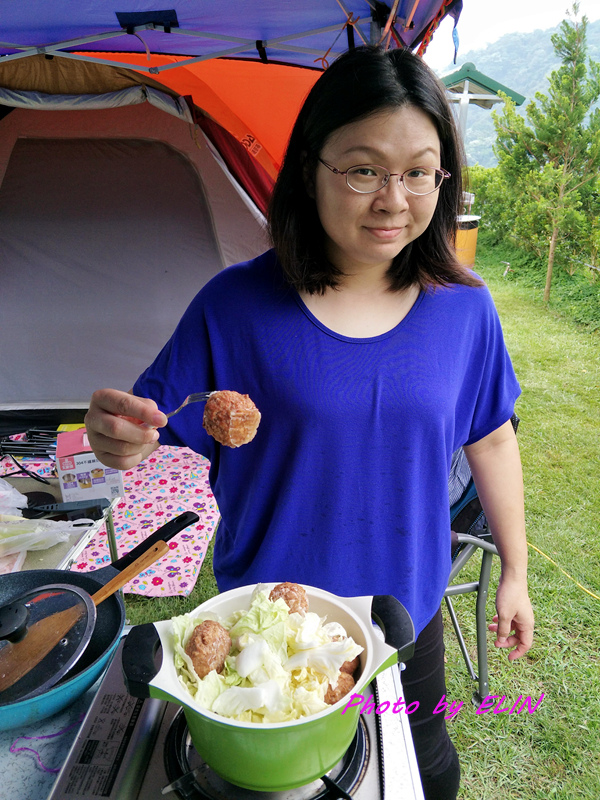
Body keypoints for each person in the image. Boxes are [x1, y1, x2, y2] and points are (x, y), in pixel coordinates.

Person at [85, 45, 534, 800]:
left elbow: (490, 435)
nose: (394, 197)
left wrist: (515, 571)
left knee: (424, 766)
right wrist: (116, 437)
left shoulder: (464, 307)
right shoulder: (234, 307)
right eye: (363, 169)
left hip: (405, 610)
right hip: (268, 626)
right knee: (280, 786)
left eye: (420, 171)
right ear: (309, 168)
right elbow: (146, 426)